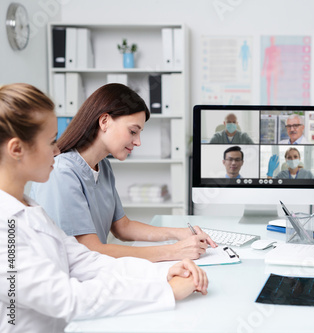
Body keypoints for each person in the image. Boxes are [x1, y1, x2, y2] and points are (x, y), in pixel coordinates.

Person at [0, 83, 209, 332]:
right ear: (16, 150)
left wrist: (162, 273)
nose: (57, 149)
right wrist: (166, 290)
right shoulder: (6, 227)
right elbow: (69, 299)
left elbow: (85, 261)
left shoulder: (31, 209)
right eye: (50, 141)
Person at [30, 83, 216, 262]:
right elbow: (91, 250)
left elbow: (122, 227)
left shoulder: (103, 166)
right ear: (104, 121)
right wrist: (173, 251)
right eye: (133, 131)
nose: (138, 142)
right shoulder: (62, 172)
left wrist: (178, 233)